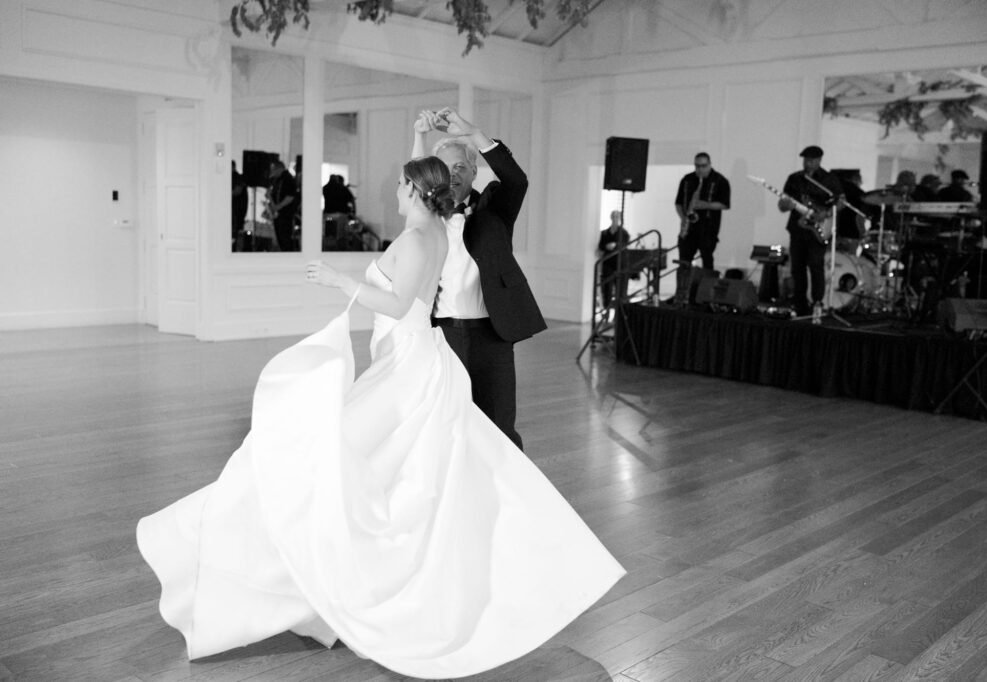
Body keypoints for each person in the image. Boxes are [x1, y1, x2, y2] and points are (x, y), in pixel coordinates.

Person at [136, 155, 625, 679]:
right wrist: (420, 142)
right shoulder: (433, 229)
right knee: (378, 463)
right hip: (412, 357)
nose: (394, 189)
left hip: (410, 363)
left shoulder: (415, 240)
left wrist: (338, 281)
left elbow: (395, 306)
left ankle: (342, 570)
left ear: (415, 190)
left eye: (400, 183)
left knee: (343, 456)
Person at [411, 107, 545, 451]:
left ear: (474, 171)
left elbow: (517, 179)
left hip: (492, 334)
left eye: (461, 167)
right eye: (445, 169)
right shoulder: (426, 214)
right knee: (444, 419)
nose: (453, 175)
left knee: (499, 425)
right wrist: (420, 136)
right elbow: (413, 182)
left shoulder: (496, 208)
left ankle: (507, 495)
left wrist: (474, 133)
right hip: (441, 334)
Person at [778, 145, 845, 322]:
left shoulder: (829, 179)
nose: (808, 163)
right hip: (798, 228)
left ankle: (817, 304)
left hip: (818, 229)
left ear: (819, 160)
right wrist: (787, 205)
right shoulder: (795, 179)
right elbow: (782, 205)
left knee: (816, 265)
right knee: (797, 268)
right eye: (805, 160)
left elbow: (841, 202)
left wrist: (827, 213)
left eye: (812, 160)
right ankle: (800, 306)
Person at [673, 152, 731, 272]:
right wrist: (683, 217)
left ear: (709, 164)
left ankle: (705, 289)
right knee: (683, 263)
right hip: (688, 229)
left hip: (708, 229)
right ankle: (682, 289)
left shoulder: (720, 181)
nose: (700, 169)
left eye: (703, 166)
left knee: (707, 263)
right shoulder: (687, 179)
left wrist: (705, 205)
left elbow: (725, 204)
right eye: (697, 166)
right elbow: (678, 203)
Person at [597, 209, 630, 308]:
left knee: (620, 289)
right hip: (608, 263)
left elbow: (625, 244)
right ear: (611, 218)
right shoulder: (605, 232)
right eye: (613, 216)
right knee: (607, 288)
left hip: (619, 263)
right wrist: (606, 246)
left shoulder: (624, 233)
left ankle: (618, 313)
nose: (615, 219)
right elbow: (601, 246)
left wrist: (615, 245)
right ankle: (606, 310)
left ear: (619, 218)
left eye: (617, 217)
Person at [266, 160, 298, 251]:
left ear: (279, 169)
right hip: (278, 214)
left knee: (285, 239)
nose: (272, 172)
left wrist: (279, 206)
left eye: (273, 170)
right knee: (280, 239)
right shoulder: (277, 180)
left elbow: (290, 196)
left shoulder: (288, 179)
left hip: (285, 214)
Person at [231, 161, 249, 251]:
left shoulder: (238, 178)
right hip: (235, 210)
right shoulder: (234, 177)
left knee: (234, 232)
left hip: (237, 211)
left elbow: (237, 191)